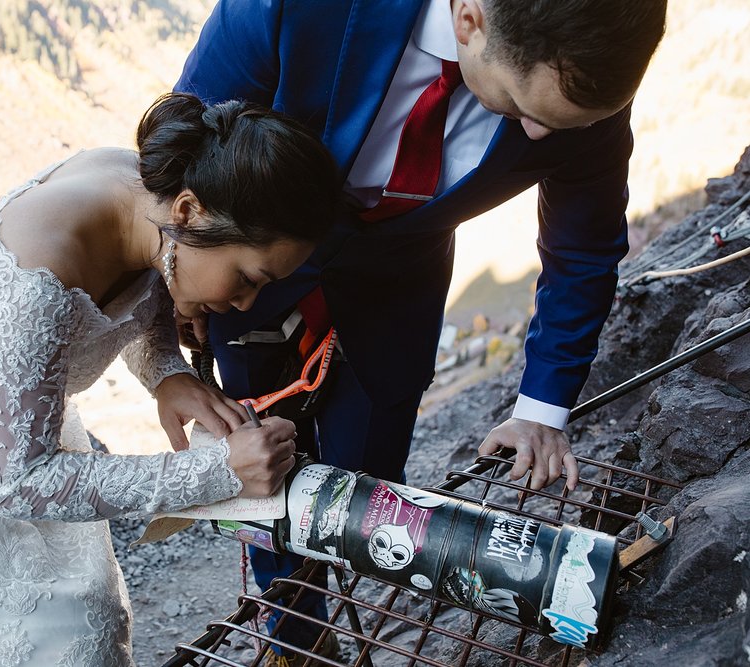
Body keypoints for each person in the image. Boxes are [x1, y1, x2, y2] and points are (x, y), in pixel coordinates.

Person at [175, 0, 667, 662]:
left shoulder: (581, 79)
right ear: (469, 19)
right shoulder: (290, 10)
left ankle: (352, 597)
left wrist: (542, 410)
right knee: (260, 473)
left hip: (396, 295)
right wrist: (173, 300)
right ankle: (294, 636)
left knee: (371, 479)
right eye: (526, 109)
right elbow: (185, 150)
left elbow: (582, 248)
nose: (542, 137)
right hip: (248, 284)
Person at [0, 92, 342, 666]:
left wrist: (166, 373)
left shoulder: (142, 192)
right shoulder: (35, 280)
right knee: (56, 642)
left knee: (85, 619)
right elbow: (19, 482)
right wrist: (218, 472)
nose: (245, 302)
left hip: (11, 431)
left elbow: (143, 273)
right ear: (189, 213)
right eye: (247, 277)